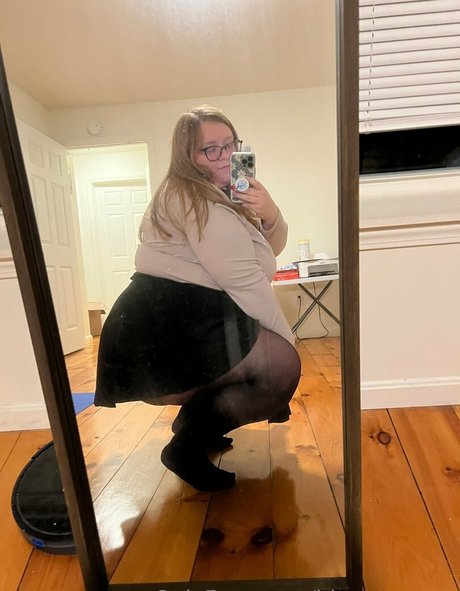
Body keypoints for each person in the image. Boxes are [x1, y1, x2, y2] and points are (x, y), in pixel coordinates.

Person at [94, 105, 301, 492]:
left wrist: (270, 214)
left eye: (230, 144)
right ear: (188, 156)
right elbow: (244, 280)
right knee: (280, 366)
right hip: (163, 326)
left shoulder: (221, 194)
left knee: (268, 360)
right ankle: (186, 447)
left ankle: (196, 426)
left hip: (181, 316)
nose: (225, 155)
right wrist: (288, 345)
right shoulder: (197, 199)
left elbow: (260, 258)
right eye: (210, 149)